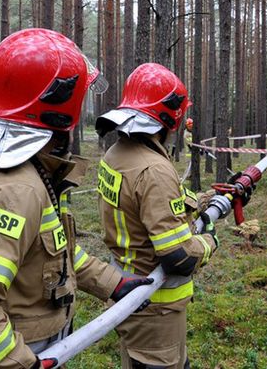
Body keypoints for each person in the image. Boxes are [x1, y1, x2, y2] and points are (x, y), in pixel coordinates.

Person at [0, 29, 152, 369]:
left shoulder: (31, 173)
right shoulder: (16, 190)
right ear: (60, 108)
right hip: (12, 355)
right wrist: (25, 363)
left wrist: (113, 283)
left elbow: (53, 253)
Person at [95, 63, 220, 369]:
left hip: (128, 290)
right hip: (157, 307)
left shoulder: (117, 154)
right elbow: (178, 256)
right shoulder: (154, 169)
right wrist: (209, 242)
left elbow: (145, 207)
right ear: (173, 116)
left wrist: (205, 202)